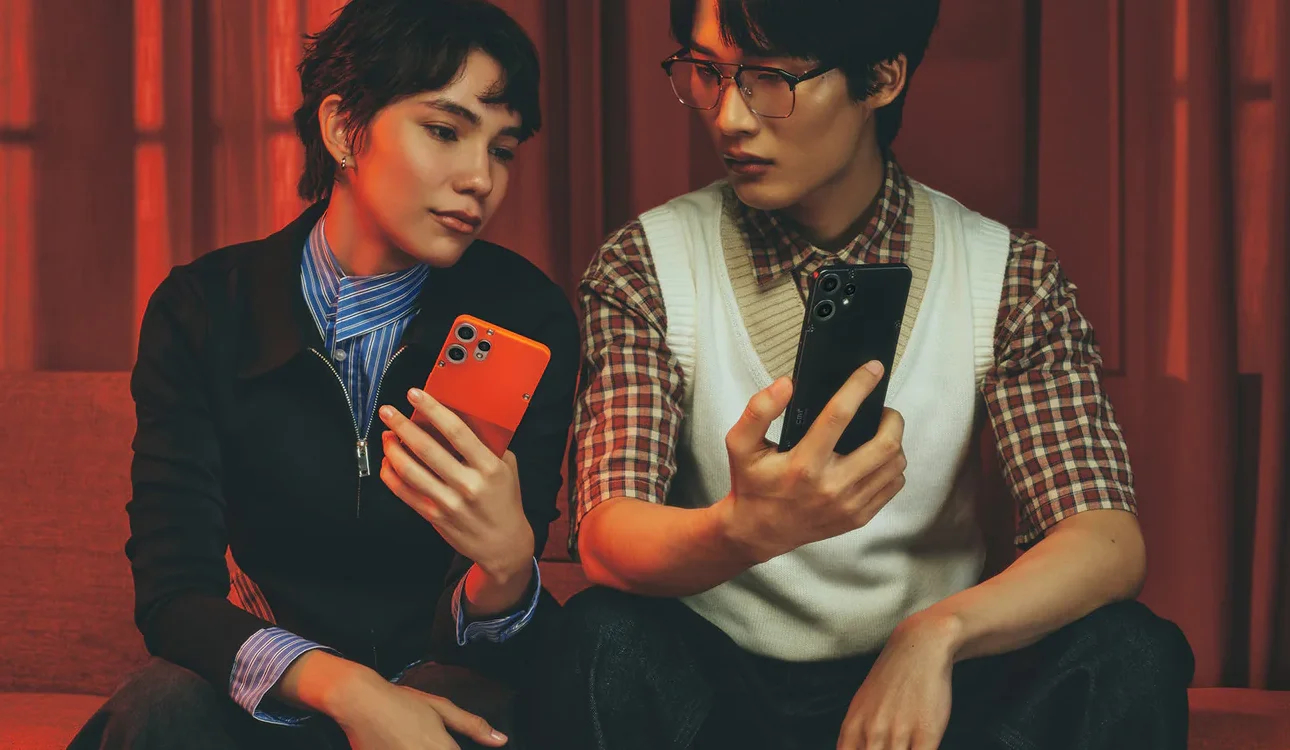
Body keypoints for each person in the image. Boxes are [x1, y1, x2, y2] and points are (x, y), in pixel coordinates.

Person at [546, 0, 1195, 748]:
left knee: (1131, 653)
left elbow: (1105, 537)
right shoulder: (648, 263)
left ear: (882, 79)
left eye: (769, 79)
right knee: (601, 636)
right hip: (719, 685)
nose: (729, 117)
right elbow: (608, 533)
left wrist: (937, 635)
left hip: (935, 691)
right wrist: (743, 530)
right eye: (708, 73)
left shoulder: (1006, 274)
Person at [68, 1, 578, 748]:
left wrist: (506, 565)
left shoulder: (526, 316)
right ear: (343, 129)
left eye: (502, 149)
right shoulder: (204, 310)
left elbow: (496, 649)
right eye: (445, 130)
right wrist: (351, 692)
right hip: (284, 682)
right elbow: (174, 594)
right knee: (161, 710)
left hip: (447, 682)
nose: (481, 179)